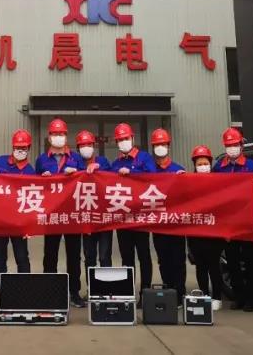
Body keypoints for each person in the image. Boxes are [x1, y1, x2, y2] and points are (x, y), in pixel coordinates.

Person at [35, 118, 85, 308]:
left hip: (72, 213)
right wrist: (42, 178)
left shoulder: (76, 158)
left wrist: (78, 172)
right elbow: (34, 185)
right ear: (49, 137)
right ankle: (50, 291)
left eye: (61, 134)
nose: (58, 137)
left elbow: (87, 180)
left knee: (74, 255)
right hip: (52, 214)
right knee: (50, 254)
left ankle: (74, 292)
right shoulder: (42, 159)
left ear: (66, 136)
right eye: (55, 134)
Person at [215, 128, 253, 312]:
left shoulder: (252, 166)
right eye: (229, 145)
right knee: (232, 261)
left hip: (248, 220)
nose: (232, 148)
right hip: (229, 222)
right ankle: (238, 296)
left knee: (250, 261)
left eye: (235, 144)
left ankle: (251, 298)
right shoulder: (219, 167)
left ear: (241, 145)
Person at [110, 123, 155, 295]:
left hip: (141, 217)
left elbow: (153, 177)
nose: (124, 142)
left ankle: (145, 292)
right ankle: (128, 293)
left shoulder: (144, 158)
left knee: (144, 255)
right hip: (123, 219)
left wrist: (131, 173)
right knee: (126, 257)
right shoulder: (115, 164)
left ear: (133, 138)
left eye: (126, 138)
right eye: (120, 140)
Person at [0, 129, 35, 291]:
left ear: (29, 148)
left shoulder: (30, 171)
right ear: (12, 146)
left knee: (22, 257)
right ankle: (2, 292)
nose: (20, 150)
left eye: (24, 148)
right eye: (17, 147)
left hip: (19, 223)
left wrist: (30, 224)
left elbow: (33, 198)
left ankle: (24, 291)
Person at [149, 128, 186, 299]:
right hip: (158, 224)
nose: (160, 147)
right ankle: (169, 292)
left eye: (163, 144)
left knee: (178, 259)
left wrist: (184, 179)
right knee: (163, 260)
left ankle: (180, 292)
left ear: (168, 146)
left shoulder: (178, 169)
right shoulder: (149, 170)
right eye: (157, 144)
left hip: (176, 224)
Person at [187, 145, 224, 310]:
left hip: (214, 232)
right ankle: (203, 295)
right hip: (196, 232)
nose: (203, 166)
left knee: (214, 266)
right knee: (200, 267)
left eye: (205, 163)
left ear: (210, 163)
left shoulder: (218, 181)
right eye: (199, 164)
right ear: (195, 165)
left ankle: (217, 297)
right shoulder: (189, 182)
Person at [76, 130, 113, 269]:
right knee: (89, 255)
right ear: (78, 148)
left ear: (94, 146)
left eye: (89, 144)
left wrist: (98, 167)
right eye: (82, 145)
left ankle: (106, 283)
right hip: (87, 218)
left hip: (104, 218)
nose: (86, 148)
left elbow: (112, 174)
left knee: (104, 256)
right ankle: (91, 283)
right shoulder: (76, 164)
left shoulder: (103, 161)